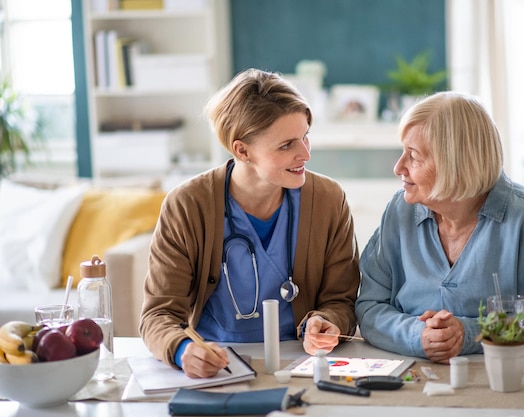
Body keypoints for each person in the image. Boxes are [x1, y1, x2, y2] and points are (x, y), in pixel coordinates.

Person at [140, 68, 360, 378]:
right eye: (287, 145)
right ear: (242, 150)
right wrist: (182, 350)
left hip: (300, 362)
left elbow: (341, 300)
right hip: (218, 364)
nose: (305, 154)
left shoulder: (327, 199)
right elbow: (159, 313)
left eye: (305, 137)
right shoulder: (188, 205)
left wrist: (327, 321)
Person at [355, 91, 524, 364]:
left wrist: (470, 333)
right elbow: (369, 307)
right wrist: (418, 335)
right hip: (409, 373)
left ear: (455, 164)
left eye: (413, 156)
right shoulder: (399, 211)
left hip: (500, 378)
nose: (398, 167)